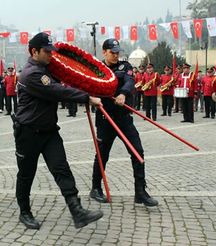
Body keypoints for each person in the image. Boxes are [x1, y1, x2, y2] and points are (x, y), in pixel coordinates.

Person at [14, 32, 103, 230]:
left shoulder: (46, 69)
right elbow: (57, 91)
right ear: (34, 51)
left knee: (61, 169)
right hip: (28, 133)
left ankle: (77, 211)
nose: (51, 55)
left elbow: (65, 81)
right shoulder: (32, 74)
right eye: (47, 51)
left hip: (49, 132)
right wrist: (87, 97)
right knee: (26, 174)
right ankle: (25, 212)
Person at [89, 38, 158, 207]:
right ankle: (96, 188)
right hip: (105, 118)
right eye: (112, 52)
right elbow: (89, 86)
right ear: (104, 51)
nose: (115, 55)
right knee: (102, 155)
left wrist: (123, 94)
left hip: (123, 117)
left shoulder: (124, 66)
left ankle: (140, 191)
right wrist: (91, 96)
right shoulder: (97, 69)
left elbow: (129, 81)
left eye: (117, 52)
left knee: (137, 151)